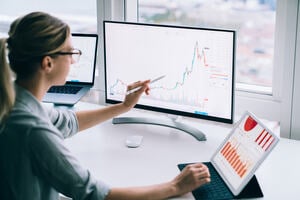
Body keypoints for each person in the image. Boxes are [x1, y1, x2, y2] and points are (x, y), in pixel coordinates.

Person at [0, 12, 210, 200]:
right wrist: (175, 186)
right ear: (48, 63)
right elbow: (95, 194)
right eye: (70, 53)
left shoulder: (16, 101)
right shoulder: (32, 129)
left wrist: (123, 106)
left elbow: (69, 121)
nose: (74, 61)